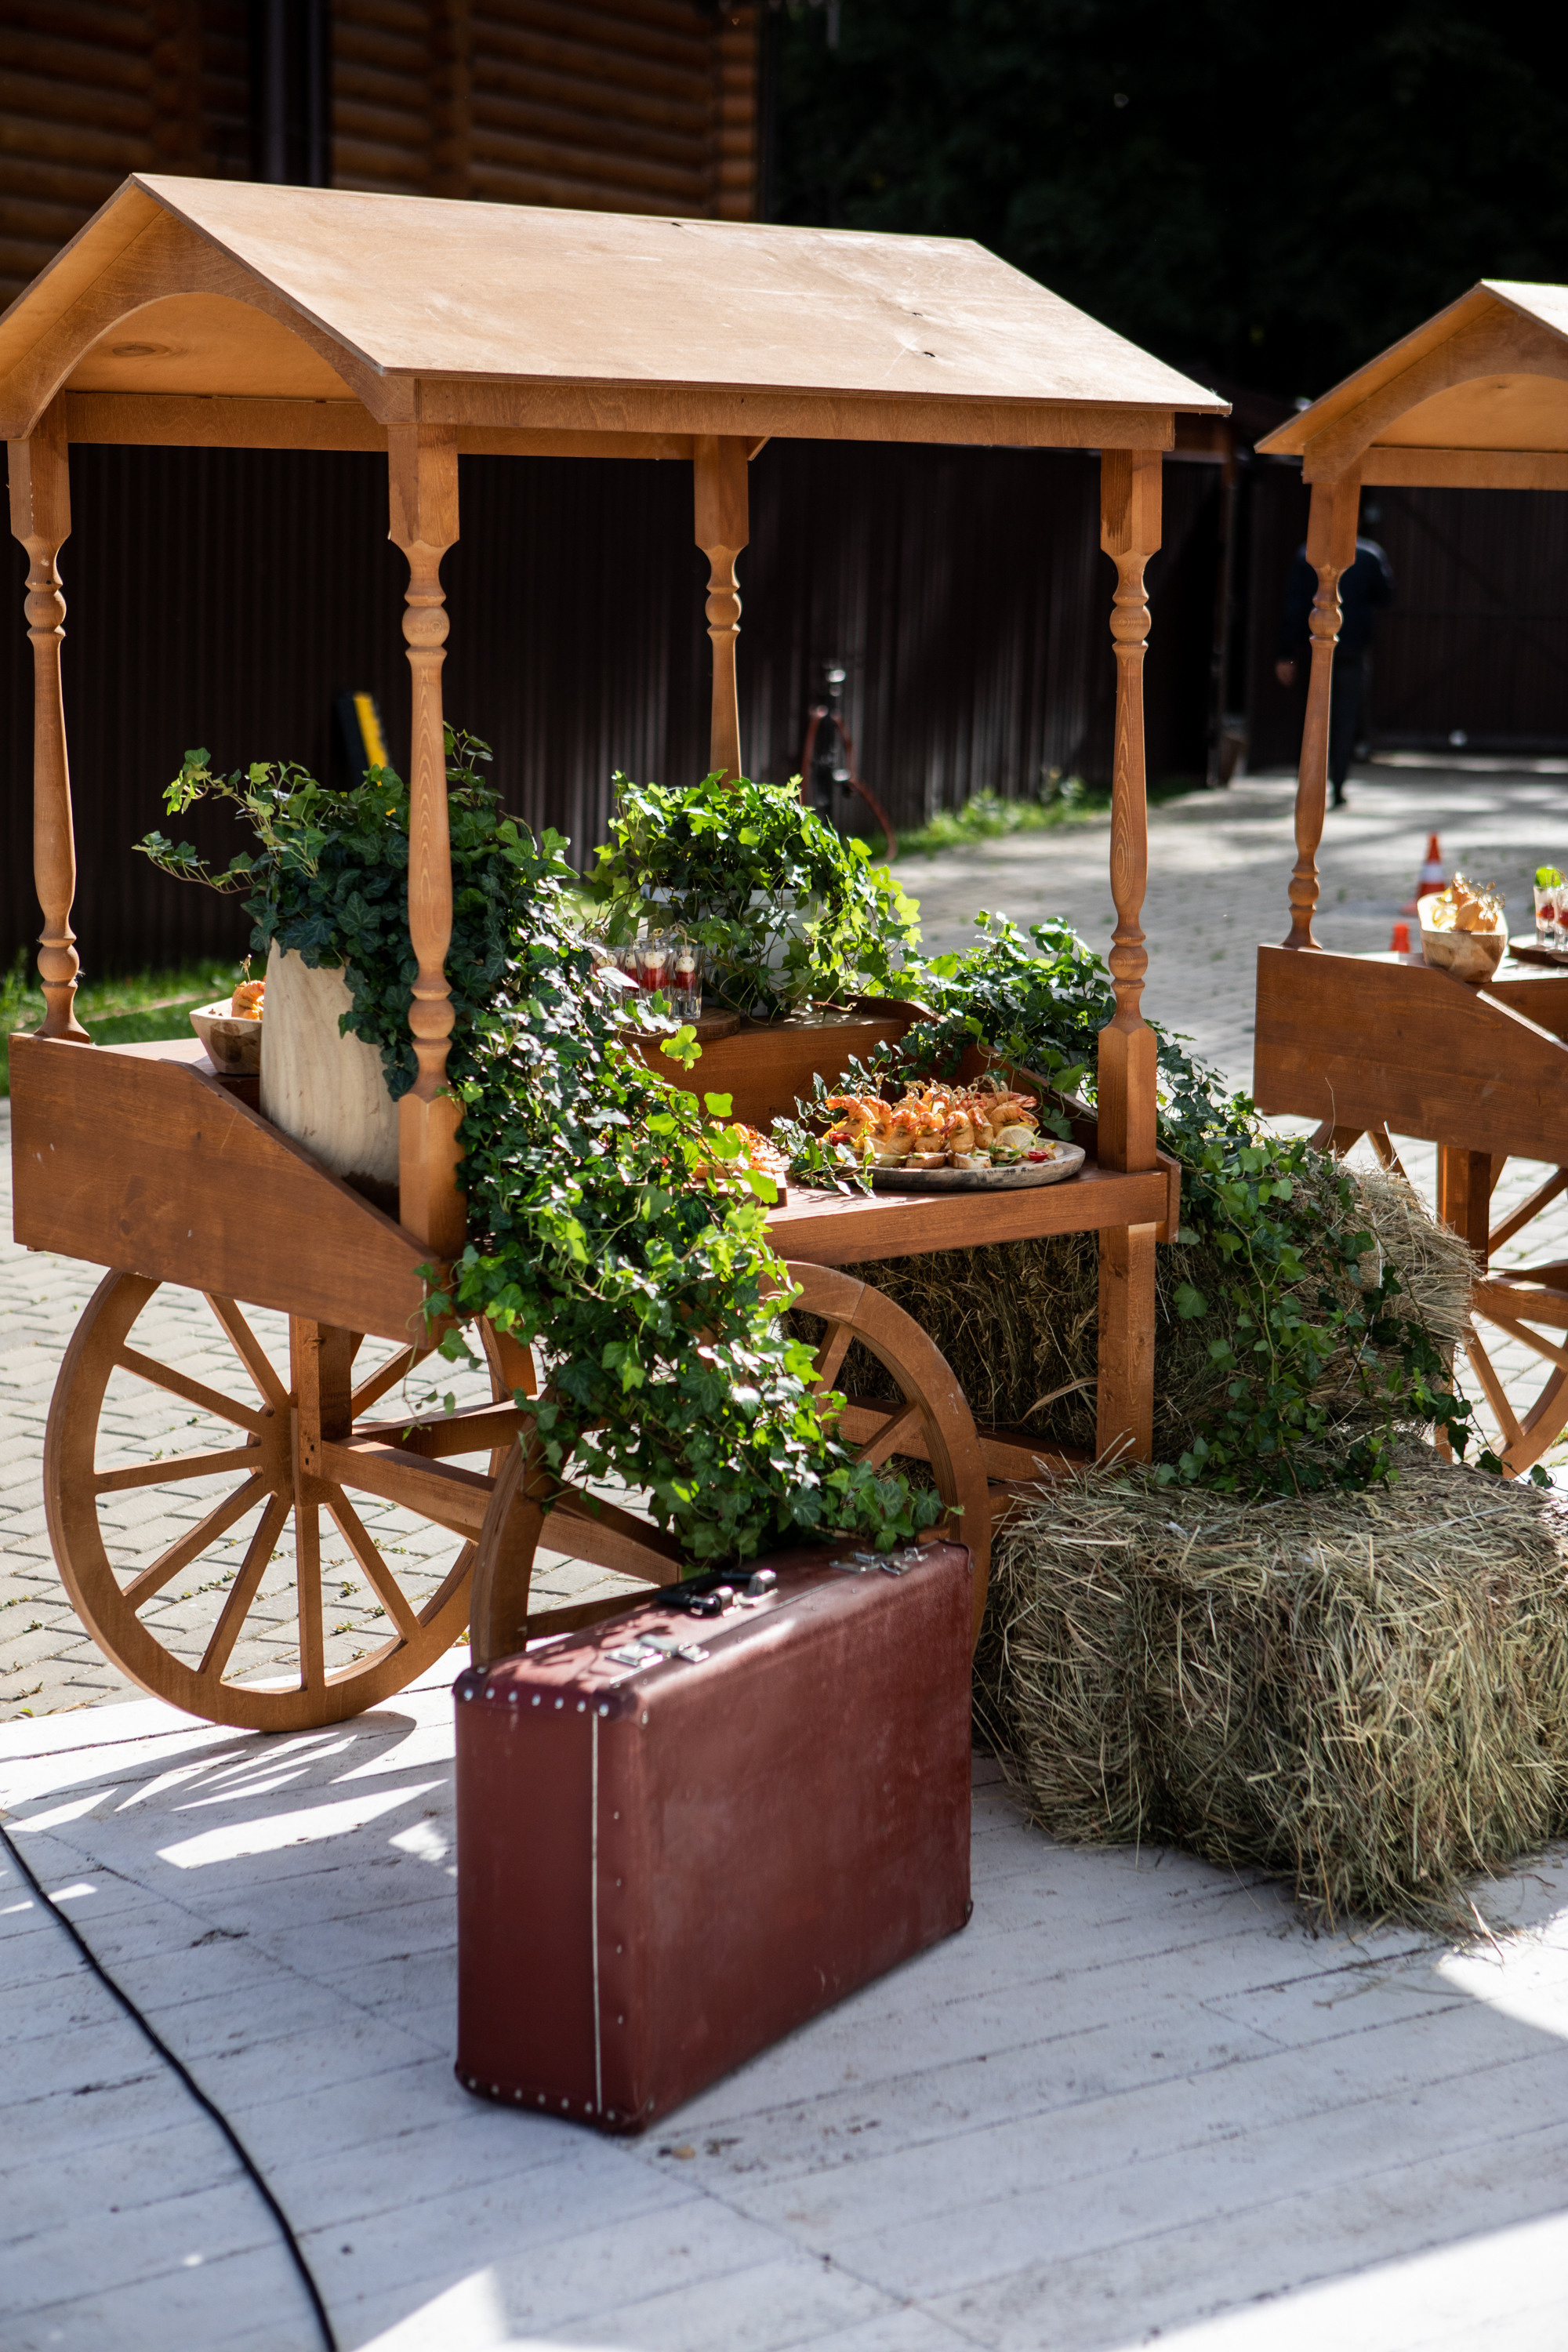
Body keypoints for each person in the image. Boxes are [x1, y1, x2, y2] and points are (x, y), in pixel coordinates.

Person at [1275, 521, 1394, 808]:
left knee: (1312, 718)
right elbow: (1386, 596)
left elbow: (1293, 609)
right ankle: (1338, 787)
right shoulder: (1369, 554)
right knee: (1344, 719)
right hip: (1351, 651)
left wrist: (1285, 655)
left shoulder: (1307, 554)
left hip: (1312, 650)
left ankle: (1307, 786)